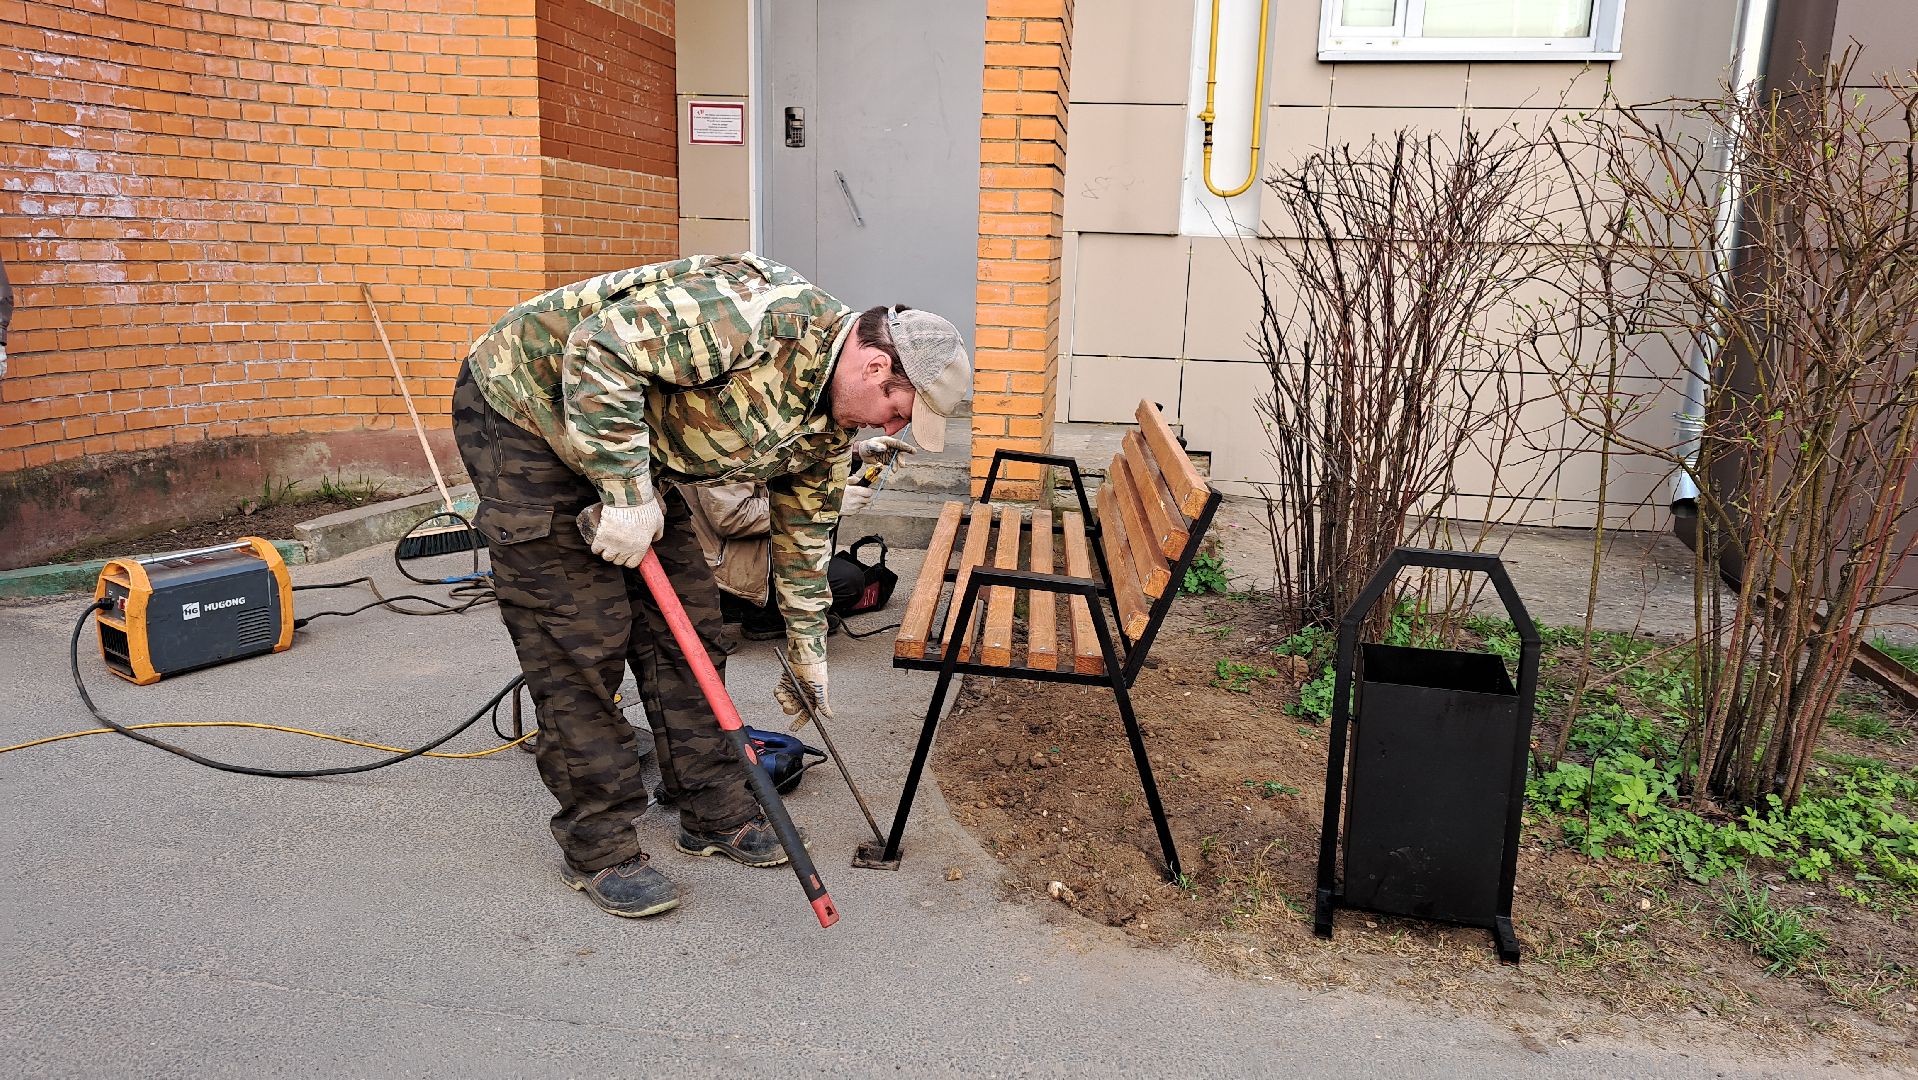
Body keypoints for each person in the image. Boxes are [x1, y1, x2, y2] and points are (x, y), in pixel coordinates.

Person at [451, 253, 969, 919]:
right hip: (527, 409)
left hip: (626, 437)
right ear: (875, 367)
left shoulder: (827, 424)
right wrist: (627, 494)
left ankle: (711, 807)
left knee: (691, 627)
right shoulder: (752, 319)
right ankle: (599, 844)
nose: (891, 428)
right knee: (581, 640)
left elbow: (806, 533)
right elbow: (598, 348)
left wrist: (808, 648)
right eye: (898, 410)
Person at [686, 433, 916, 641]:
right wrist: (826, 504)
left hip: (761, 546)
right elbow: (732, 517)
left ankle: (748, 604)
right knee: (846, 582)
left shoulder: (767, 417)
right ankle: (753, 611)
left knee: (846, 579)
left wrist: (855, 453)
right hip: (731, 559)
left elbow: (794, 464)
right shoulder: (727, 436)